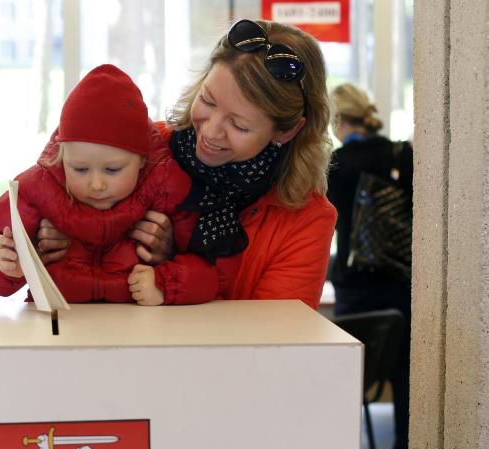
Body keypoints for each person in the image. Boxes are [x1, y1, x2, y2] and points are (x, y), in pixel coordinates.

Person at [37, 19, 337, 310]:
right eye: (207, 101)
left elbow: (275, 346)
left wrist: (172, 262)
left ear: (287, 131)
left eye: (239, 125)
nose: (210, 131)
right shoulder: (142, 148)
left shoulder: (305, 220)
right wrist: (57, 233)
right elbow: (44, 186)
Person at [0, 64, 232, 305]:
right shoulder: (39, 185)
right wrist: (2, 261)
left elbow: (212, 269)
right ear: (61, 156)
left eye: (113, 169)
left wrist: (165, 284)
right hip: (58, 332)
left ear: (141, 160)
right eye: (79, 169)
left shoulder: (169, 187)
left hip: (140, 335)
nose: (96, 184)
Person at [327, 82, 413, 449]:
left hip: (356, 288)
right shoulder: (403, 156)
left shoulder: (336, 165)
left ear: (339, 120)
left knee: (347, 381)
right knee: (406, 378)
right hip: (402, 284)